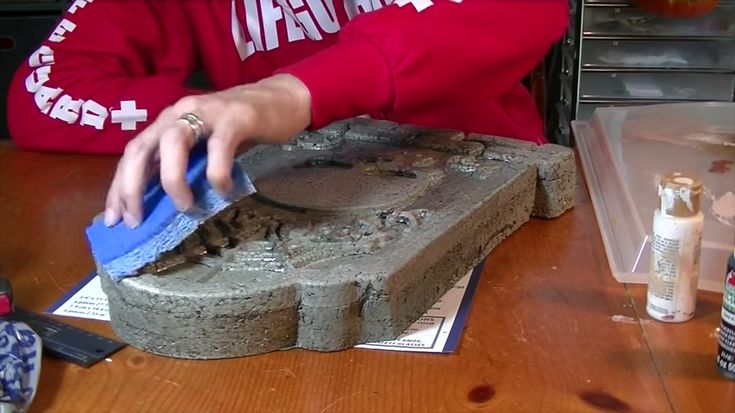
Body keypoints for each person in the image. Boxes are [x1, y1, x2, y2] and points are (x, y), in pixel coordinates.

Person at [7, 0, 569, 228]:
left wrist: (295, 94)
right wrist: (214, 114)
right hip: (292, 212)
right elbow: (43, 93)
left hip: (485, 195)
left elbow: (527, 9)